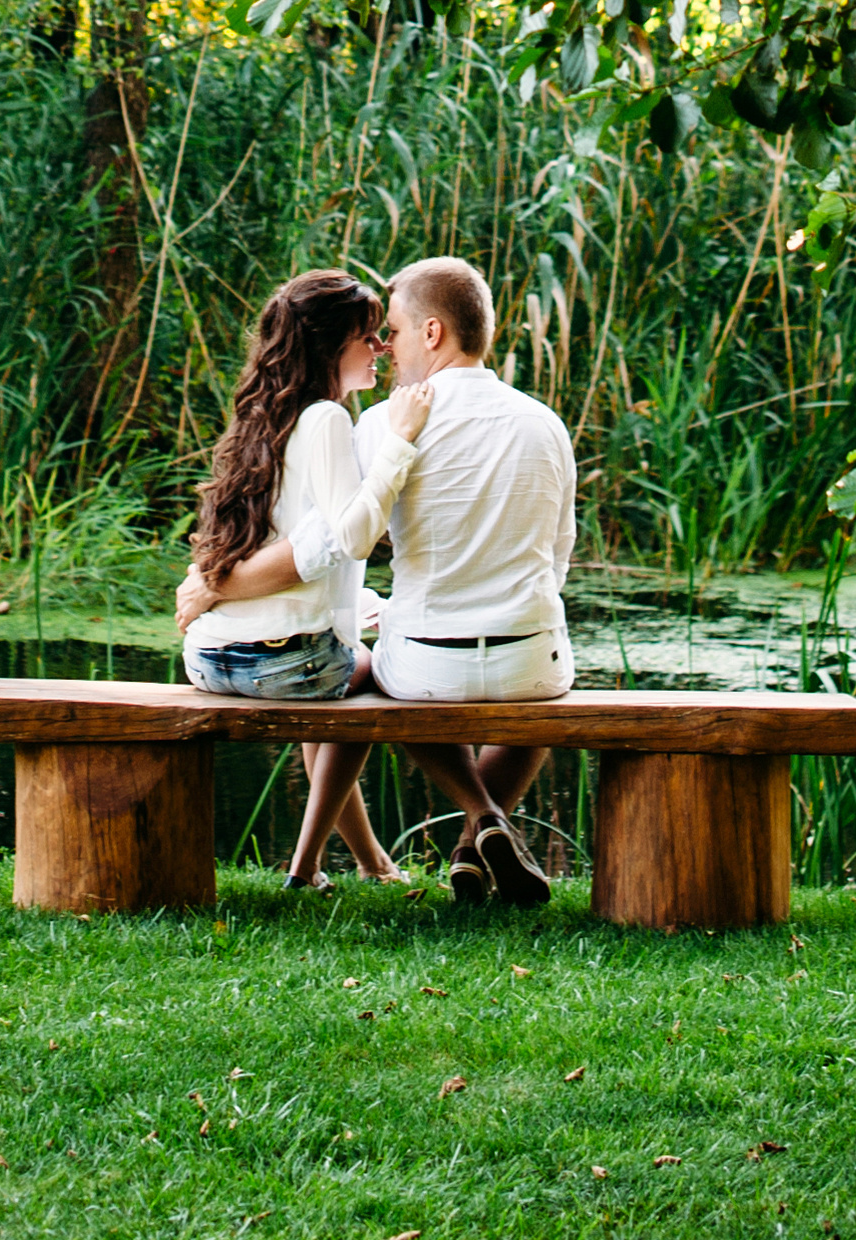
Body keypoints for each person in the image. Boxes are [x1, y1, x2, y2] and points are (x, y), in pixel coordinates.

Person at [178, 253, 576, 909]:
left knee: (376, 677)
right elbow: (555, 558)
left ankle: (480, 823)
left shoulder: (375, 422)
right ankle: (469, 843)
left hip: (422, 667)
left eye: (391, 328)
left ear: (431, 334)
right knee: (539, 680)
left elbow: (325, 539)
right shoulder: (545, 424)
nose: (383, 343)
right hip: (530, 659)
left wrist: (218, 582)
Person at [175, 265, 434, 888]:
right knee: (374, 672)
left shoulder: (262, 420)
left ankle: (362, 863)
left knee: (333, 668)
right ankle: (309, 863)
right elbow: (351, 536)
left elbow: (306, 542)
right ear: (328, 345)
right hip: (285, 664)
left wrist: (357, 603)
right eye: (367, 336)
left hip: (209, 658)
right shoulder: (326, 418)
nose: (380, 349)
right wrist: (399, 443)